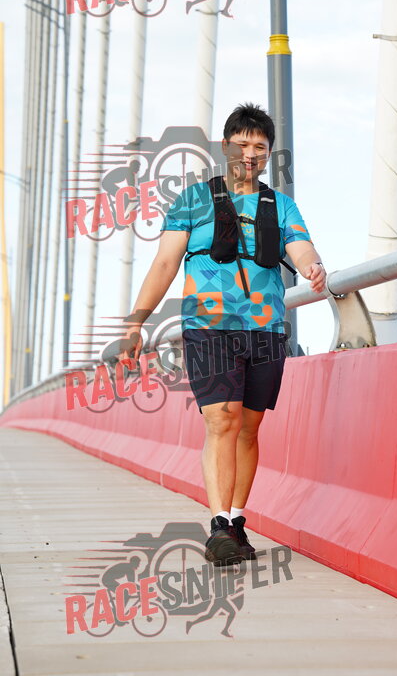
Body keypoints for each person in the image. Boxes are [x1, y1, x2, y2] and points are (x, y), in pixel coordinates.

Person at [121, 102, 325, 566]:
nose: (250, 154)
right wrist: (137, 321)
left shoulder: (281, 205)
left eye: (260, 147)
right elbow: (165, 263)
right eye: (242, 144)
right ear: (226, 146)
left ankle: (235, 520)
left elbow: (301, 246)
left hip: (265, 329)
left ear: (269, 153)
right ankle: (218, 526)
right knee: (222, 420)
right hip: (209, 327)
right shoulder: (192, 201)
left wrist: (314, 266)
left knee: (249, 428)